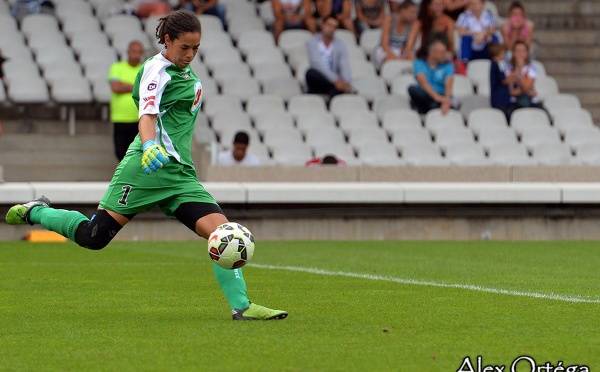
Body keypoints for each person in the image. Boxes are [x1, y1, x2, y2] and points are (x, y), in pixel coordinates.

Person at [5, 10, 287, 322]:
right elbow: (147, 115)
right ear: (168, 40)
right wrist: (150, 144)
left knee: (223, 235)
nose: (191, 55)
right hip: (144, 170)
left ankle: (243, 307)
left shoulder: (182, 72)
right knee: (94, 237)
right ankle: (37, 210)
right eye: (184, 48)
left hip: (179, 176)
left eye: (196, 49)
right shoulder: (157, 69)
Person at [108, 41, 145, 162]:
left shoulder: (144, 69)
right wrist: (136, 87)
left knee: (137, 154)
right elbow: (115, 87)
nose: (136, 55)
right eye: (134, 51)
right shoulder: (117, 67)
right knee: (120, 152)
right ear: (128, 52)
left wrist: (126, 86)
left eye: (139, 52)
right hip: (120, 118)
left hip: (139, 119)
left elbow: (146, 90)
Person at [305, 15, 353, 97]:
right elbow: (318, 65)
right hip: (320, 79)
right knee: (310, 73)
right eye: (329, 25)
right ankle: (335, 89)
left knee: (339, 84)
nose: (331, 29)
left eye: (334, 27)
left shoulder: (340, 45)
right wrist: (335, 81)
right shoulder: (312, 43)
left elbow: (345, 65)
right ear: (322, 25)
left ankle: (335, 90)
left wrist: (346, 82)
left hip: (335, 80)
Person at [408, 39, 455, 114]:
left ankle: (432, 106)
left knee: (452, 100)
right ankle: (434, 105)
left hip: (441, 93)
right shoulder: (419, 63)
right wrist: (437, 98)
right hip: (427, 94)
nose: (445, 55)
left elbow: (449, 84)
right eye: (442, 52)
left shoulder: (448, 65)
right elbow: (423, 82)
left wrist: (446, 99)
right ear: (432, 53)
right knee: (412, 89)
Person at [374, 0, 418, 68]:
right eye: (411, 12)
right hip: (386, 49)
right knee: (390, 60)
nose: (413, 15)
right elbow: (384, 44)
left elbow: (409, 45)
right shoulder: (389, 19)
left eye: (415, 13)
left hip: (402, 50)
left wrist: (403, 56)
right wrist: (395, 57)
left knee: (414, 60)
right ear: (402, 10)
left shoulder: (414, 23)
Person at [506, 41, 543, 111]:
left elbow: (527, 86)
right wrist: (525, 91)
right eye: (517, 51)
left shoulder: (532, 67)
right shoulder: (507, 68)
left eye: (523, 51)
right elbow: (509, 90)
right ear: (513, 53)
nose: (520, 54)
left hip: (530, 101)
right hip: (512, 102)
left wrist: (520, 72)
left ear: (527, 53)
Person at [488, 42, 518, 120]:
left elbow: (505, 76)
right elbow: (503, 80)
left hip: (504, 97)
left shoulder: (500, 64)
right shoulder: (496, 64)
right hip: (499, 99)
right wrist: (515, 77)